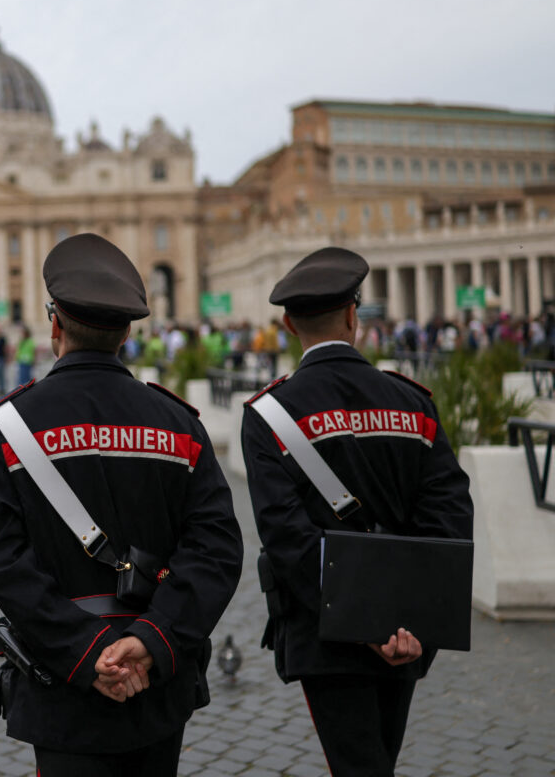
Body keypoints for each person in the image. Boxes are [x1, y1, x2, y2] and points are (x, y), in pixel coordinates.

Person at [0, 233, 243, 776]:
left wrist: (86, 650)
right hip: (156, 680)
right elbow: (216, 547)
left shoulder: (8, 426)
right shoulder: (178, 422)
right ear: (127, 333)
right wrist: (150, 637)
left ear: (55, 325)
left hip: (62, 677)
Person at [240, 247, 474, 777]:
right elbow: (450, 518)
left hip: (327, 629)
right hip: (409, 629)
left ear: (287, 325)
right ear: (353, 316)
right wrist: (413, 623)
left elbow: (285, 536)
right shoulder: (412, 401)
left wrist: (363, 622)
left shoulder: (269, 414)